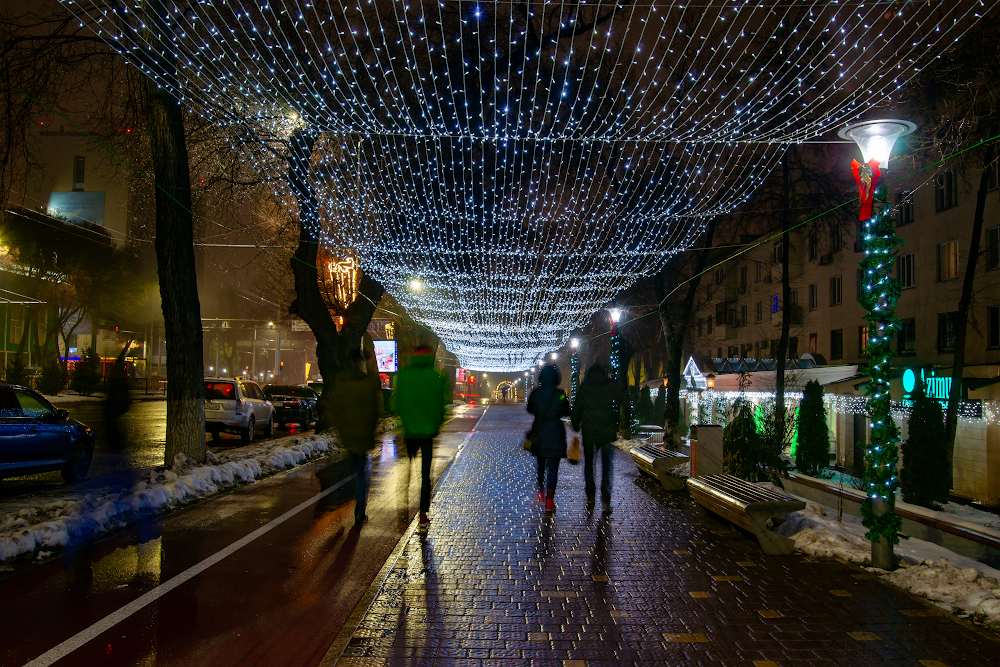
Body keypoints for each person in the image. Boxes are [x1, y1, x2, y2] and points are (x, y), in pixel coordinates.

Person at [394, 345, 448, 529]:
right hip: (427, 433)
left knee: (408, 467)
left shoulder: (403, 375)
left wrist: (406, 420)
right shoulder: (435, 377)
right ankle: (423, 514)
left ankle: (403, 504)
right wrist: (437, 423)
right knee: (425, 475)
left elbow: (397, 403)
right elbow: (441, 405)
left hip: (410, 431)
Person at [329, 348, 381, 528]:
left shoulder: (341, 381)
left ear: (351, 362)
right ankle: (359, 511)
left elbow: (336, 407)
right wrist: (370, 430)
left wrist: (340, 429)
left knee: (343, 473)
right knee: (361, 475)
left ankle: (335, 511)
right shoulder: (368, 382)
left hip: (347, 434)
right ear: (362, 363)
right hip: (363, 435)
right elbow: (374, 410)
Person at [571, 361, 622, 511]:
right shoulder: (610, 384)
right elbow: (619, 403)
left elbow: (577, 406)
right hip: (606, 432)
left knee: (589, 464)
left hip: (589, 431)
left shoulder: (585, 386)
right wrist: (616, 423)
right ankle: (606, 500)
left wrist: (575, 423)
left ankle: (591, 497)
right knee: (606, 466)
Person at [527, 363, 571, 511]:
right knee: (553, 468)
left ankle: (540, 490)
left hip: (539, 431)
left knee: (540, 463)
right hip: (556, 433)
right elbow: (566, 411)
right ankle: (550, 500)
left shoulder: (536, 393)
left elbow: (529, 409)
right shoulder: (559, 394)